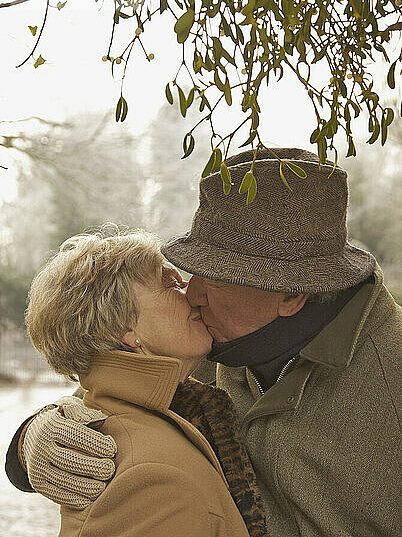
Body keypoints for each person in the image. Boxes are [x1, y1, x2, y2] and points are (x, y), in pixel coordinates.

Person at [6, 148, 401, 537]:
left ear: (290, 294)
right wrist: (31, 440)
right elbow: (112, 388)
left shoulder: (391, 374)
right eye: (191, 272)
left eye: (214, 279)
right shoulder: (213, 340)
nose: (191, 294)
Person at [14, 228, 266, 537]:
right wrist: (27, 439)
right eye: (170, 282)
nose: (190, 291)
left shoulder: (149, 407)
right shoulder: (153, 479)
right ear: (126, 327)